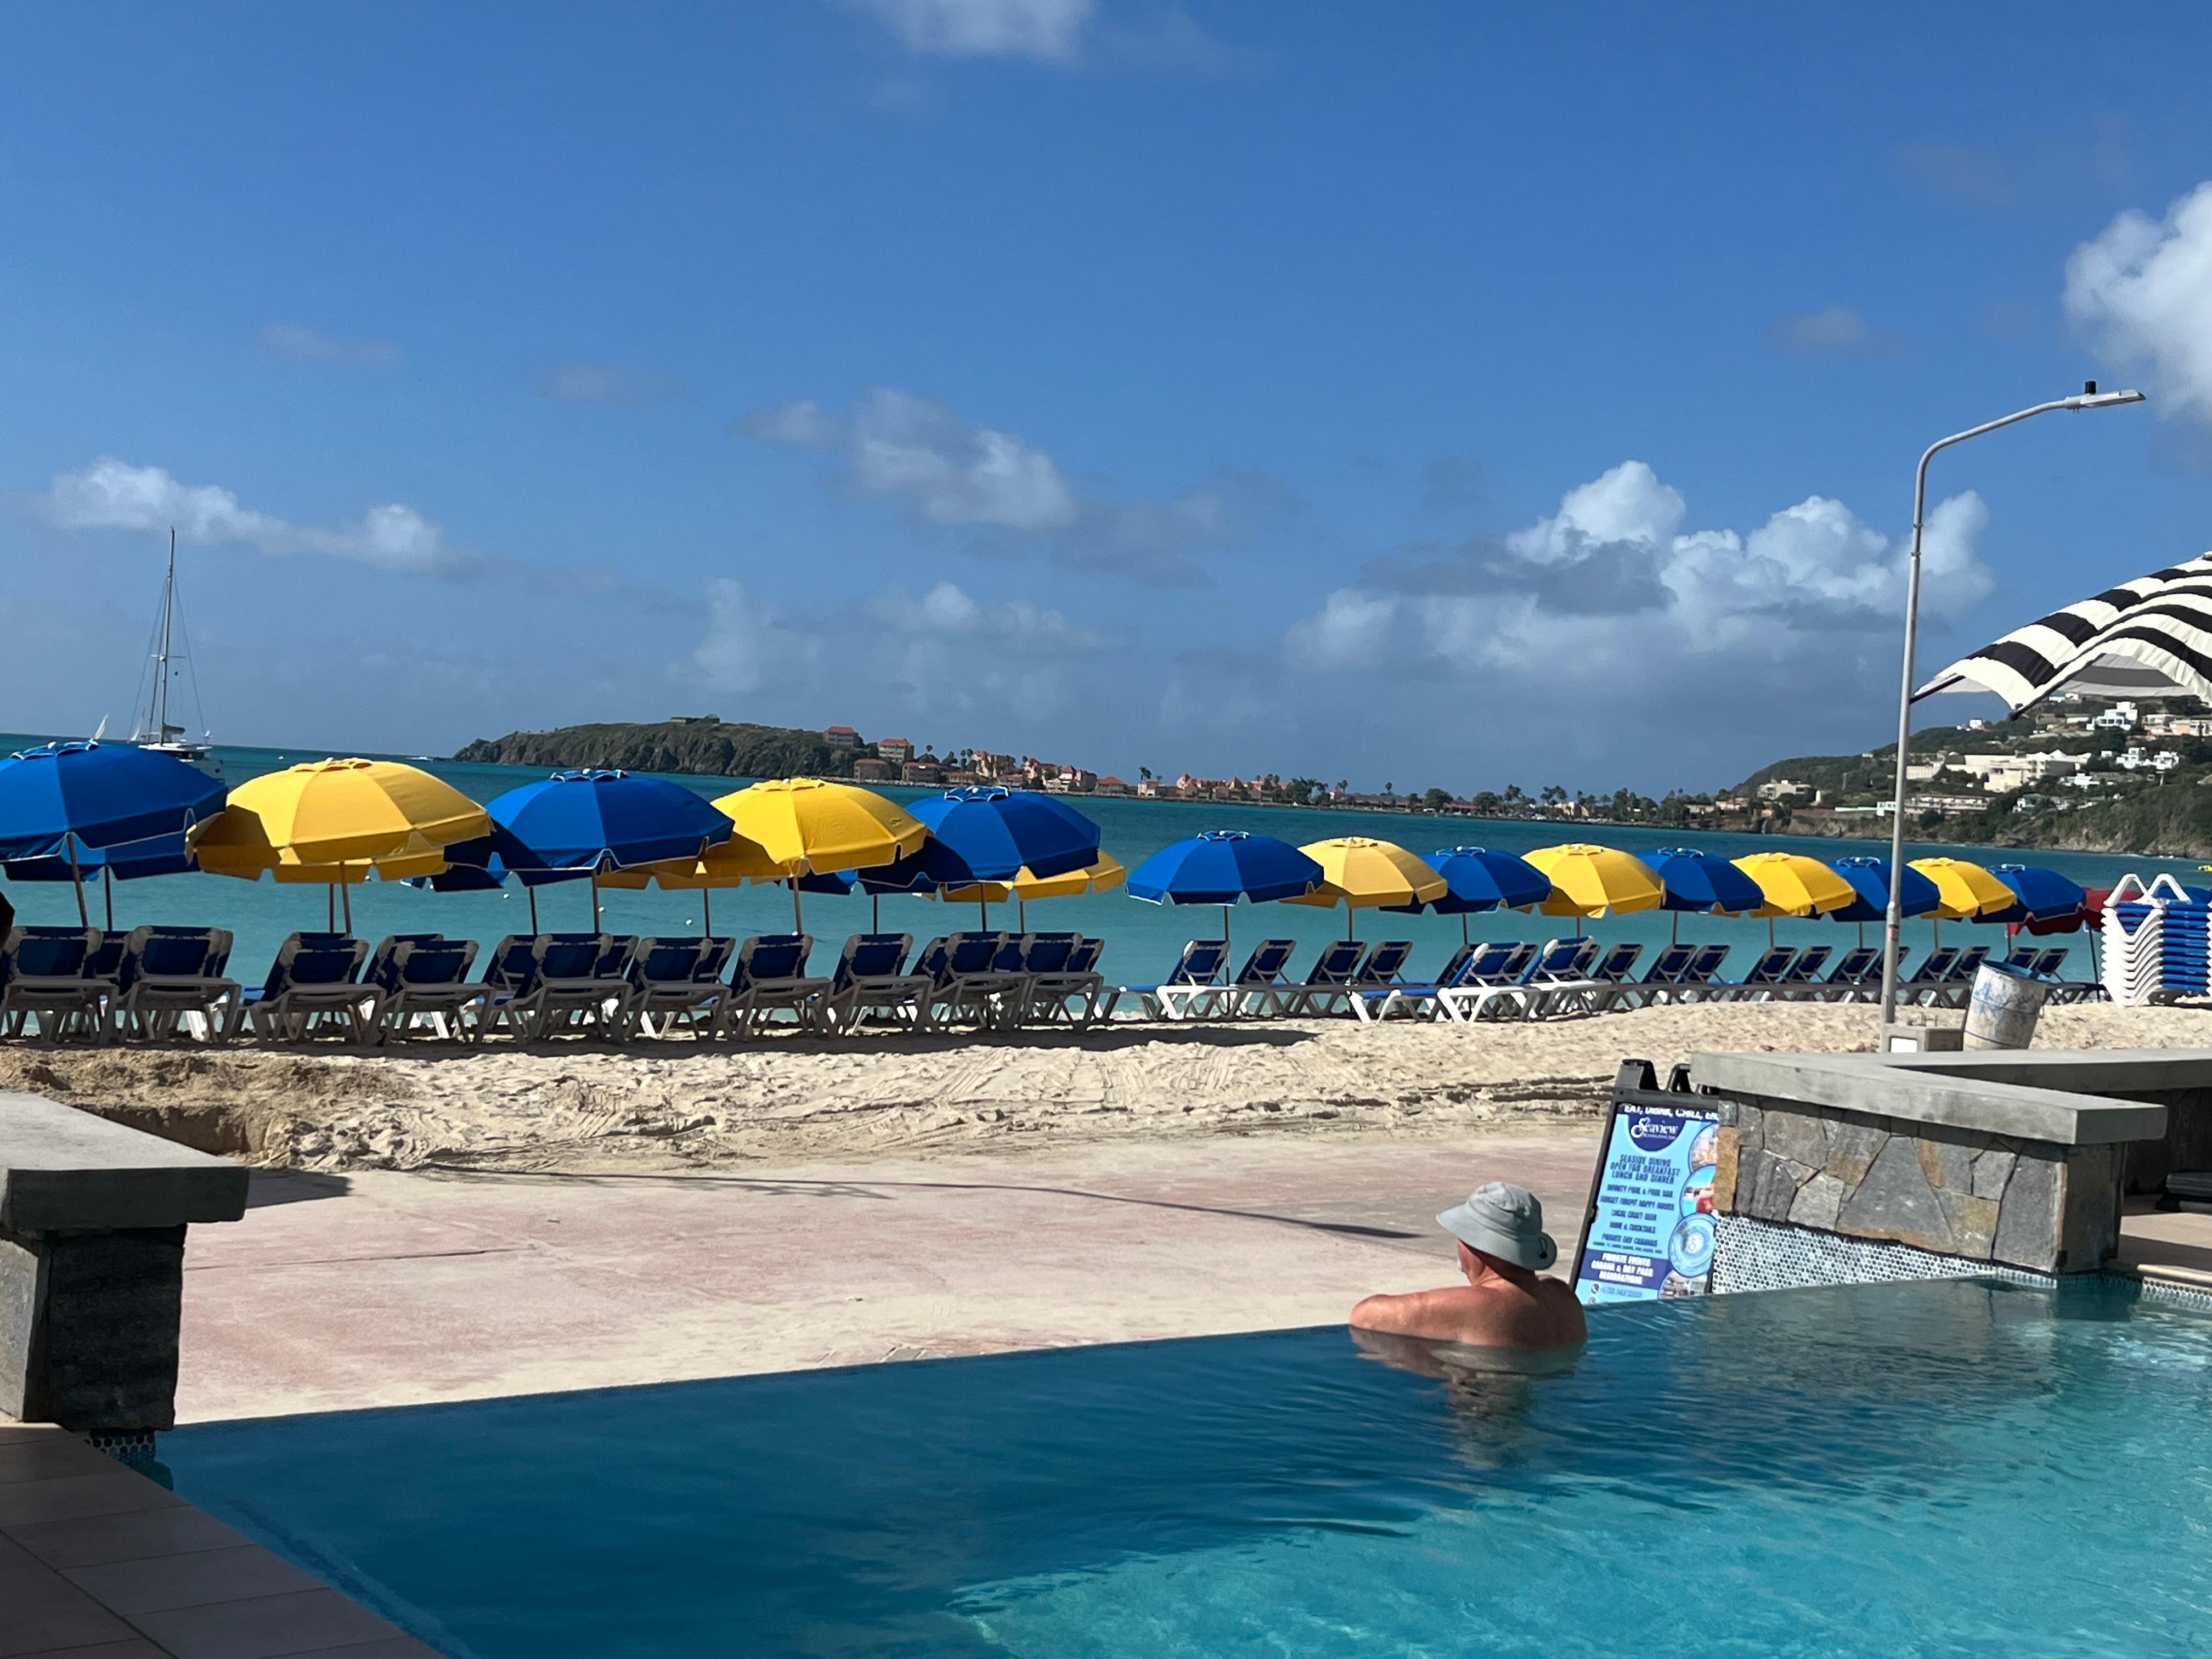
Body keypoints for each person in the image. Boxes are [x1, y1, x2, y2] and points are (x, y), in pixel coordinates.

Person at [1348, 1181, 1586, 1349]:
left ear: (1480, 1246)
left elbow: (1364, 1314)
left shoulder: (1472, 1307)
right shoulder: (1564, 1297)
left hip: (1482, 1414)